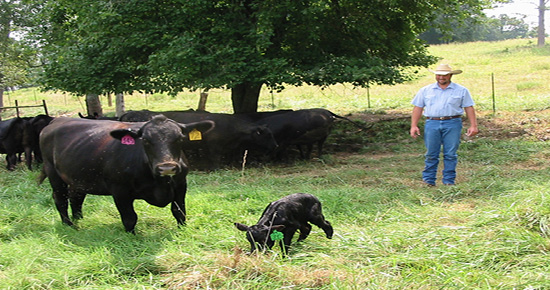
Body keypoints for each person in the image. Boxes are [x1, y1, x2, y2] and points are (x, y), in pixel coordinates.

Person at [410, 64, 479, 186]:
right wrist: (414, 125)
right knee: (431, 153)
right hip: (432, 123)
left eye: (444, 75)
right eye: (438, 75)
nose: (441, 78)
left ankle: (448, 181)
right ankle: (428, 180)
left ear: (450, 75)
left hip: (452, 122)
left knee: (450, 154)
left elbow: (469, 107)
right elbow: (418, 108)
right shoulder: (426, 90)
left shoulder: (461, 90)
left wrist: (473, 125)